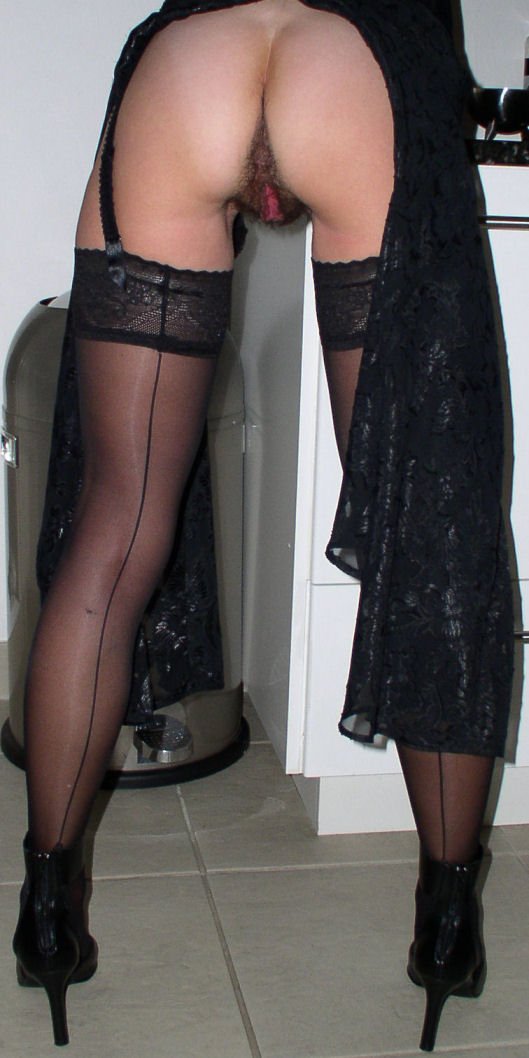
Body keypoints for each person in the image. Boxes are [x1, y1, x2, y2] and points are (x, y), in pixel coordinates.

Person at [12, 0, 513, 1052]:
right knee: (428, 517)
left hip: (191, 59)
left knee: (113, 528)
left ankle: (47, 910)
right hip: (357, 57)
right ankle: (445, 926)